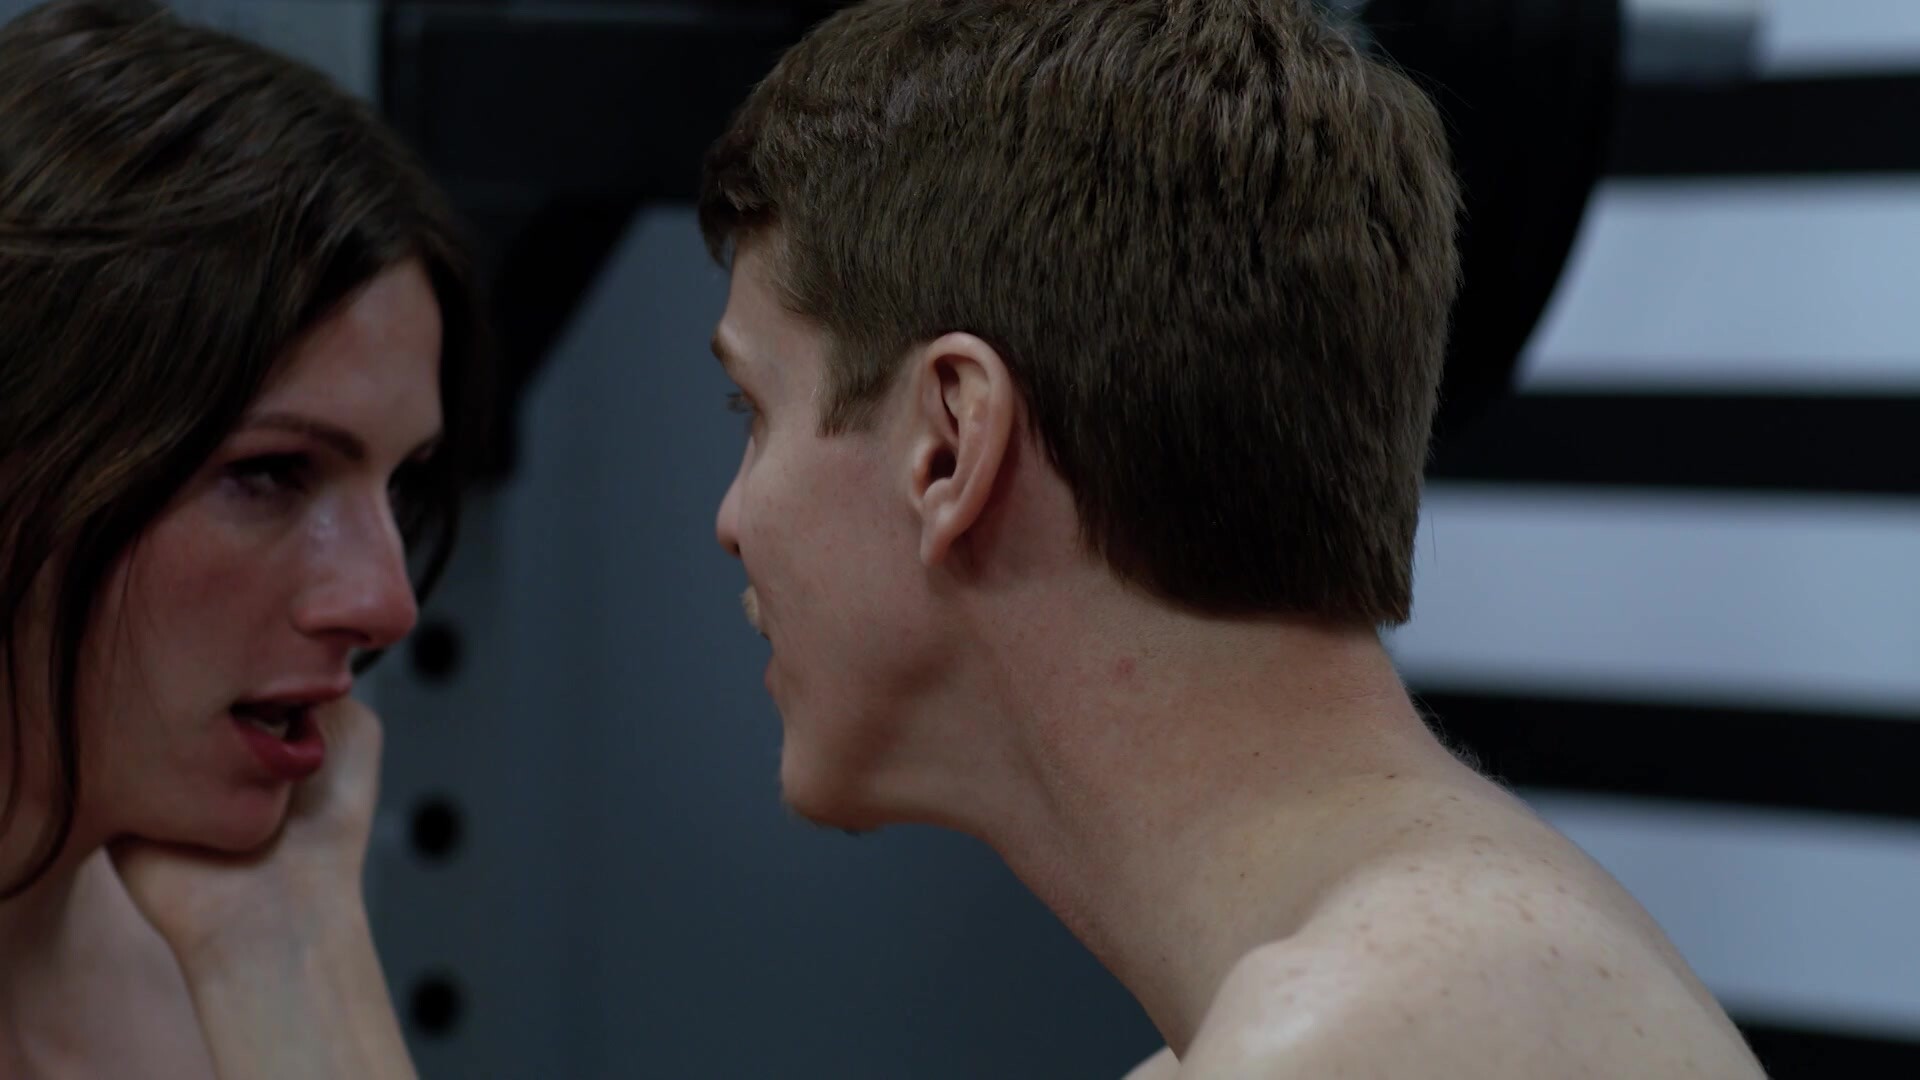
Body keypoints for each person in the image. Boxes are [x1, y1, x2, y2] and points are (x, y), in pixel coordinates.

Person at [700, 0, 1769, 1076]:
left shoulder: (1362, 1032)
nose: (730, 521)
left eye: (755, 410)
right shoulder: (1400, 994)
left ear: (948, 442)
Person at [0, 0, 485, 1075]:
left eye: (398, 484)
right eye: (269, 473)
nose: (388, 602)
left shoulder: (198, 975)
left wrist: (286, 953)